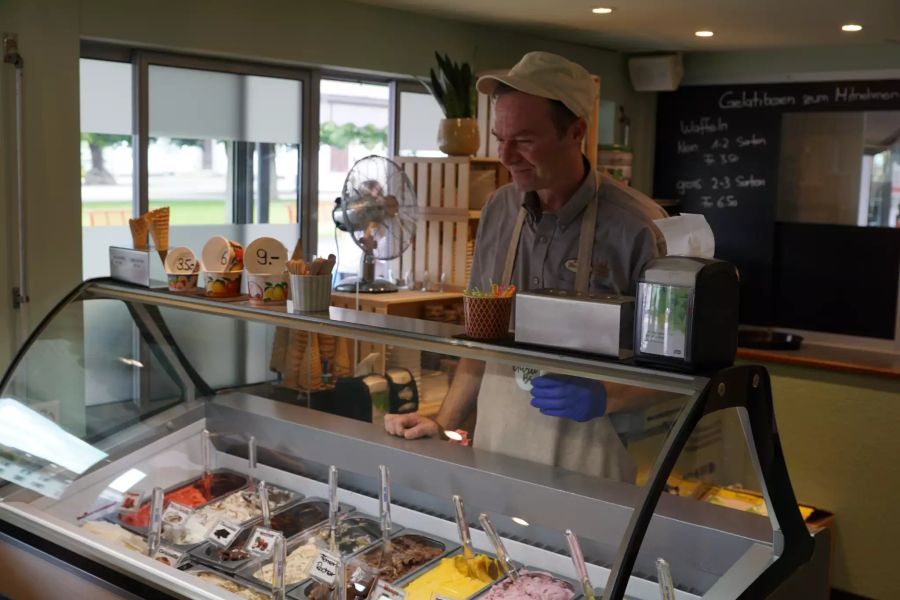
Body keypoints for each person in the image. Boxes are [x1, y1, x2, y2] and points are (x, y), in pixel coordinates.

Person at [384, 51, 668, 481]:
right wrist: (444, 424)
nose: (505, 156)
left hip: (594, 458)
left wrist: (605, 395)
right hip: (498, 448)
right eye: (499, 138)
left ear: (575, 132)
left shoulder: (641, 227)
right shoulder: (499, 209)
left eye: (525, 140)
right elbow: (481, 345)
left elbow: (677, 376)